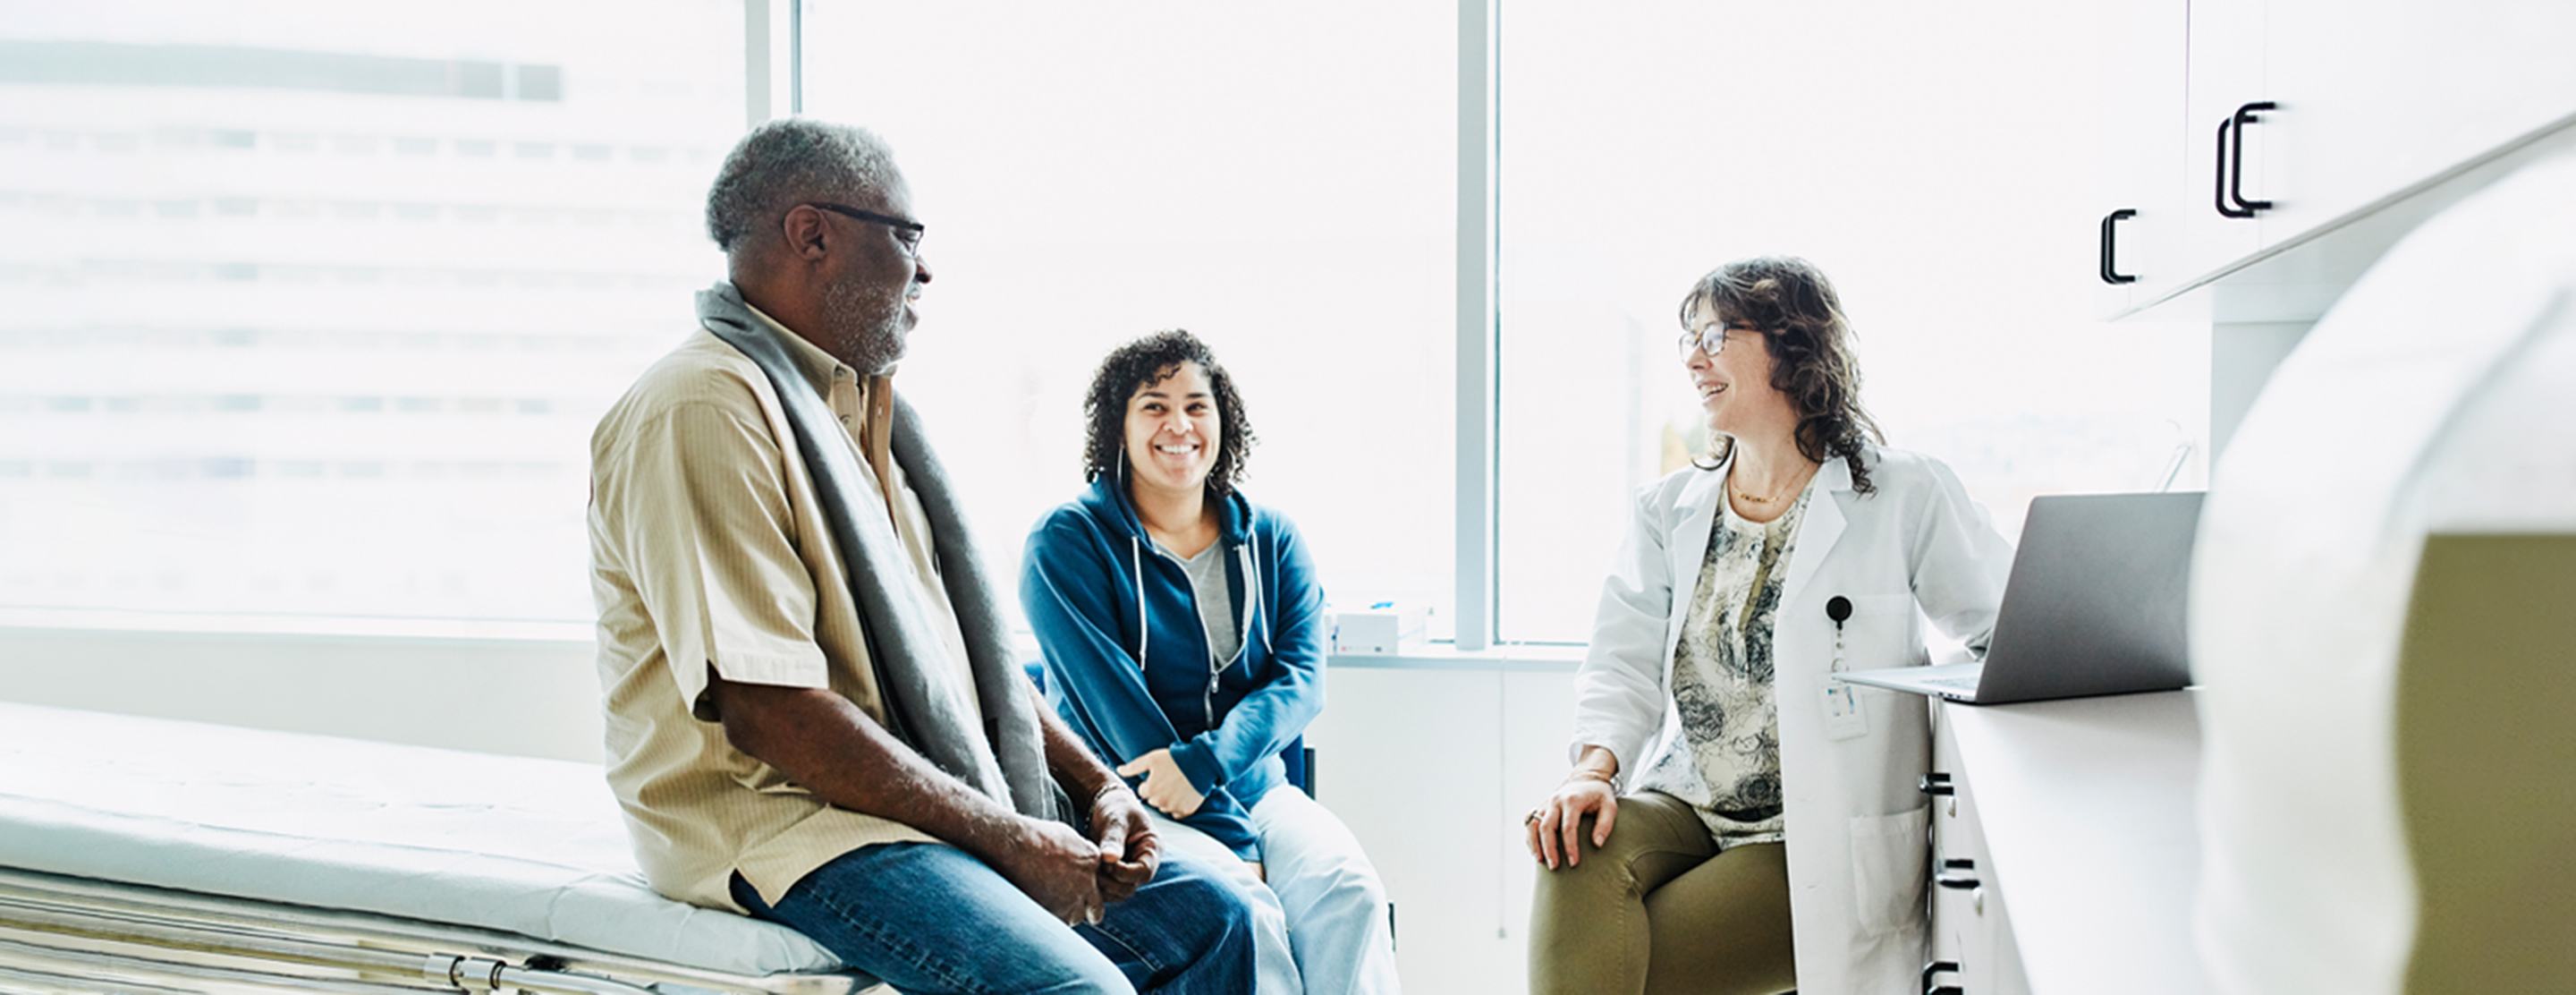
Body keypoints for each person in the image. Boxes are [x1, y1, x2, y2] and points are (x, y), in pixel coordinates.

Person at [586, 119, 1255, 995]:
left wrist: (1099, 788)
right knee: (1078, 989)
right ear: (812, 235)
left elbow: (968, 667)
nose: (925, 269)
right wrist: (1009, 839)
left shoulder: (867, 418)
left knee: (1214, 920)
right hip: (798, 825)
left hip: (909, 802)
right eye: (906, 236)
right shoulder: (705, 408)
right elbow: (769, 710)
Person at [1521, 257, 2014, 995]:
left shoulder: (1903, 493)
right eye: (1689, 340)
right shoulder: (1667, 511)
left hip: (1814, 834)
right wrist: (1592, 771)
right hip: (1687, 801)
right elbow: (1621, 661)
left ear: (1792, 345)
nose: (1694, 360)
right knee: (1571, 845)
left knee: (1616, 964)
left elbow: (2005, 628)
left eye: (1715, 337)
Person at [1021, 330, 1403, 995]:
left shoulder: (1272, 537)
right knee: (1246, 911)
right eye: (1154, 406)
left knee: (1349, 893)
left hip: (1256, 789)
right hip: (1131, 803)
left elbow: (1300, 681)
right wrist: (1233, 839)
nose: (1179, 425)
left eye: (1197, 406)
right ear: (1117, 426)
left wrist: (1210, 766)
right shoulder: (1066, 542)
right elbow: (1116, 711)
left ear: (1224, 422)